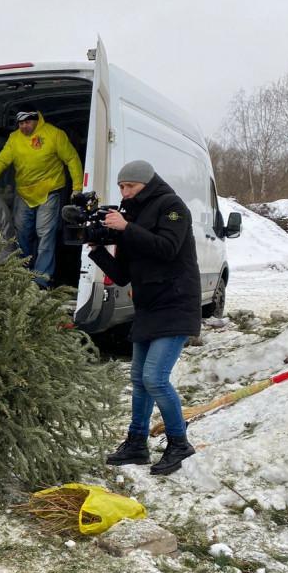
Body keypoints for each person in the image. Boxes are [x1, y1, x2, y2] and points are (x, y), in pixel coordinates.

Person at [86, 160, 202, 476]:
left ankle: (179, 442)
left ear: (146, 184)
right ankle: (136, 443)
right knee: (138, 379)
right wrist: (97, 249)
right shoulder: (130, 215)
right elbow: (123, 275)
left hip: (176, 303)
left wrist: (126, 229)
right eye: (121, 187)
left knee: (154, 377)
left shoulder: (172, 206)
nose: (124, 192)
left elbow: (167, 248)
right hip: (149, 306)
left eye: (130, 187)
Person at [0, 111, 82, 288]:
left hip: (49, 191)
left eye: (27, 122)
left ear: (37, 121)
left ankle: (41, 279)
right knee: (21, 233)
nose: (23, 126)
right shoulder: (14, 138)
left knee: (44, 233)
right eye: (20, 123)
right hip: (24, 193)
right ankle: (21, 273)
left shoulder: (54, 134)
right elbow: (2, 159)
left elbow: (71, 159)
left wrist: (77, 187)